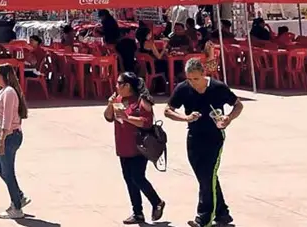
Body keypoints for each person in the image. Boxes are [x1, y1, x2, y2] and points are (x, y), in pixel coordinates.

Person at [165, 57, 243, 227]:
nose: (193, 83)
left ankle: (204, 218)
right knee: (205, 177)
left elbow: (238, 105)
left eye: (196, 79)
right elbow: (168, 110)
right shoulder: (183, 89)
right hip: (194, 136)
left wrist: (228, 118)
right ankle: (223, 214)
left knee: (208, 176)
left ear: (203, 74)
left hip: (214, 137)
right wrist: (185, 118)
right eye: (190, 79)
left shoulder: (218, 88)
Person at [104, 72, 165, 224]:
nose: (116, 85)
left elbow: (147, 122)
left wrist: (128, 118)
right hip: (122, 146)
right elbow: (108, 117)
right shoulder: (118, 99)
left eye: (119, 83)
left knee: (137, 177)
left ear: (127, 86)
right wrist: (109, 105)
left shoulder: (142, 101)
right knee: (129, 180)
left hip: (139, 147)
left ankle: (156, 201)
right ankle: (137, 212)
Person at [0, 64, 30, 219]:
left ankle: (16, 207)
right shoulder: (3, 91)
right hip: (6, 136)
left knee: (8, 171)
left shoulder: (10, 93)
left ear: (3, 75)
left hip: (10, 136)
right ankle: (18, 195)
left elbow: (7, 119)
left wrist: (2, 140)